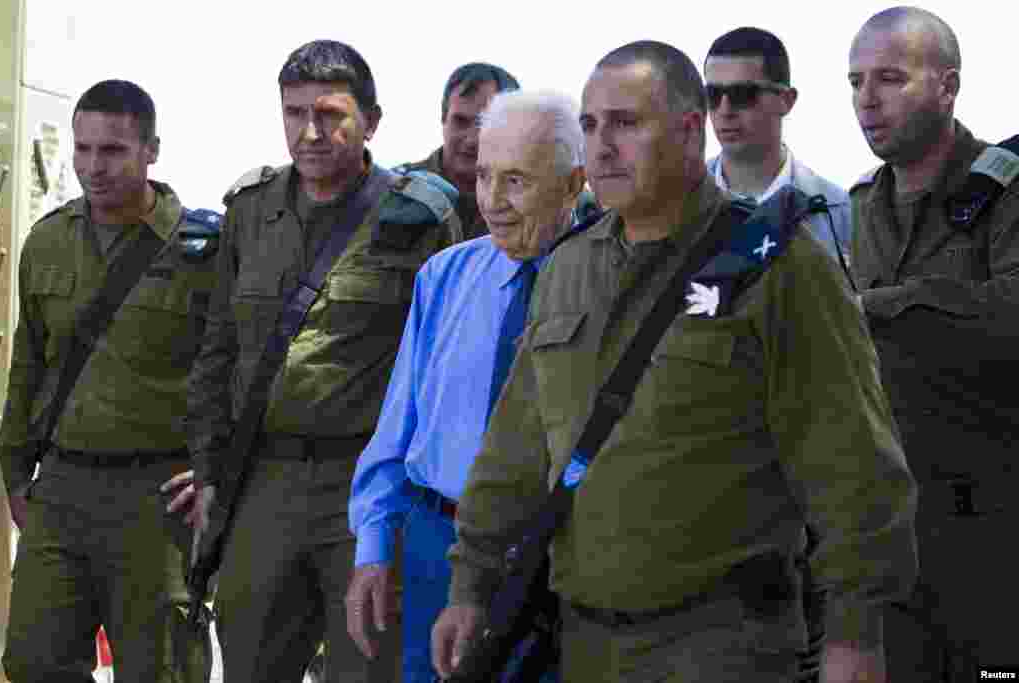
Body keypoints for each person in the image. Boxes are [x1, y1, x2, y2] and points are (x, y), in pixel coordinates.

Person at [431, 40, 918, 683]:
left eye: (626, 123)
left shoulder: (778, 266)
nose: (601, 145)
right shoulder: (569, 267)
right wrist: (469, 585)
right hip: (582, 642)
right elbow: (516, 447)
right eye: (590, 125)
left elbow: (853, 465)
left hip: (722, 644)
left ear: (691, 132)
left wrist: (855, 636)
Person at [165, 40, 462, 683]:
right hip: (263, 481)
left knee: (368, 665)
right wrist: (211, 469)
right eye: (294, 112)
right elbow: (217, 350)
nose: (310, 132)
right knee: (249, 660)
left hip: (369, 491)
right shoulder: (250, 209)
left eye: (329, 114)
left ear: (371, 122)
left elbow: (445, 373)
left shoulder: (420, 216)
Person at [347, 89, 586, 682]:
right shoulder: (446, 276)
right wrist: (373, 548)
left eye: (516, 182)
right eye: (483, 176)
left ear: (573, 183)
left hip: (556, 562)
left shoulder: (609, 285)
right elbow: (399, 425)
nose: (493, 202)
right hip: (437, 545)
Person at [0, 79, 214, 682]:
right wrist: (15, 471)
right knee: (34, 660)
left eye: (113, 150)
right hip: (62, 487)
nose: (94, 166)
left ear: (152, 149)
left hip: (159, 496)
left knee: (161, 668)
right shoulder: (47, 242)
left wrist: (215, 471)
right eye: (83, 148)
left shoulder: (203, 250)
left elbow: (234, 375)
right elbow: (29, 369)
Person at [848, 7, 1019, 680]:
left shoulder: (1004, 191)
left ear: (947, 87)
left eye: (890, 78)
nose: (867, 99)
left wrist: (881, 307)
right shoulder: (859, 209)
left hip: (994, 539)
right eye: (856, 80)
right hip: (887, 547)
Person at [704, 26, 852, 263]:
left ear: (786, 100)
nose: (724, 110)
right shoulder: (676, 203)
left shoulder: (838, 212)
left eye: (743, 94)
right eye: (712, 95)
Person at [394, 62, 520, 238]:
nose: (472, 140)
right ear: (443, 118)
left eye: (486, 125)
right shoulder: (395, 192)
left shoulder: (531, 203)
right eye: (460, 121)